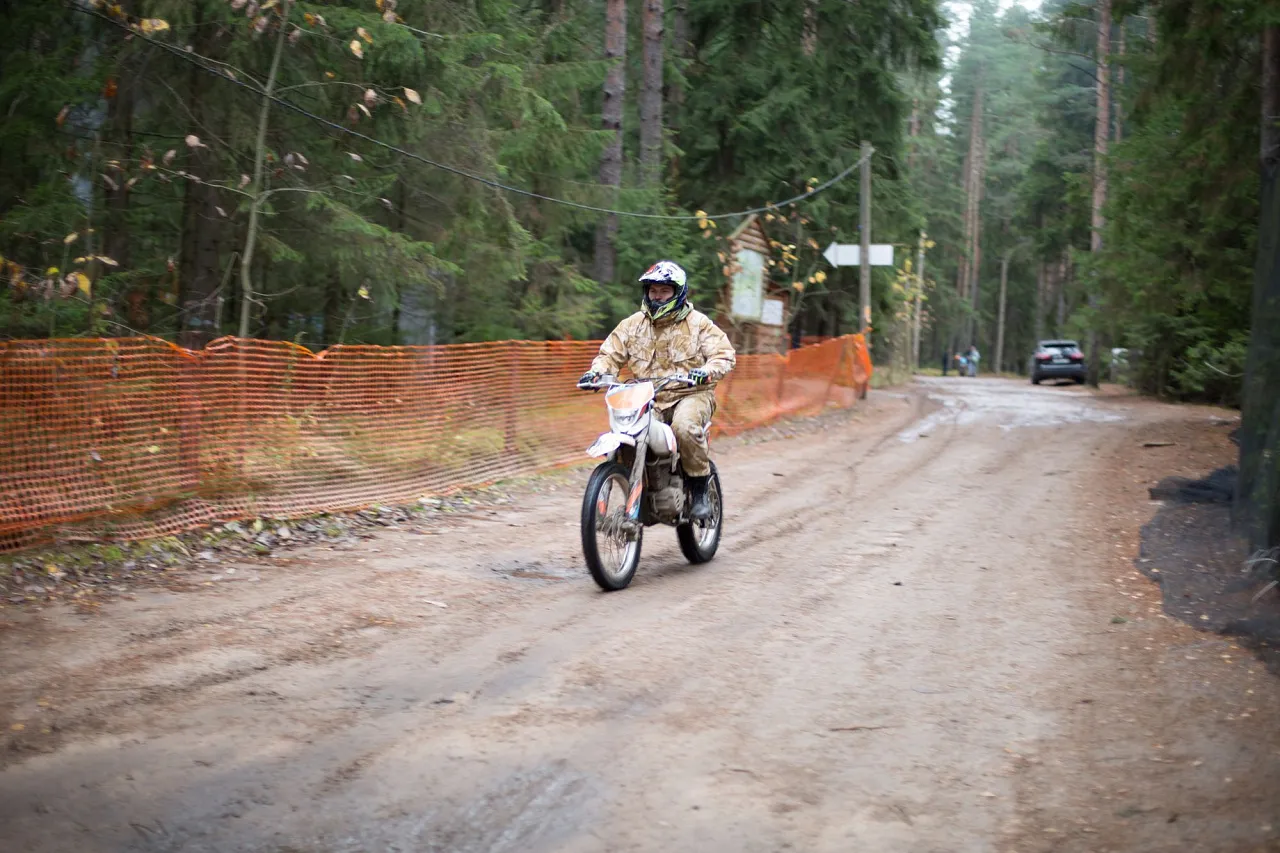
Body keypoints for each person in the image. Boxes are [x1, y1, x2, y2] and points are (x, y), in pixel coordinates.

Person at [579, 260, 736, 521]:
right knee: (628, 431)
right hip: (647, 397)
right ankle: (640, 490)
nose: (658, 296)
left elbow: (724, 354)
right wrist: (596, 372)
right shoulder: (632, 325)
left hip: (690, 394)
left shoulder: (698, 324)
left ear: (678, 292)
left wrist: (707, 370)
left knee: (684, 428)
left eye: (664, 291)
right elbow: (610, 354)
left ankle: (699, 492)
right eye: (653, 290)